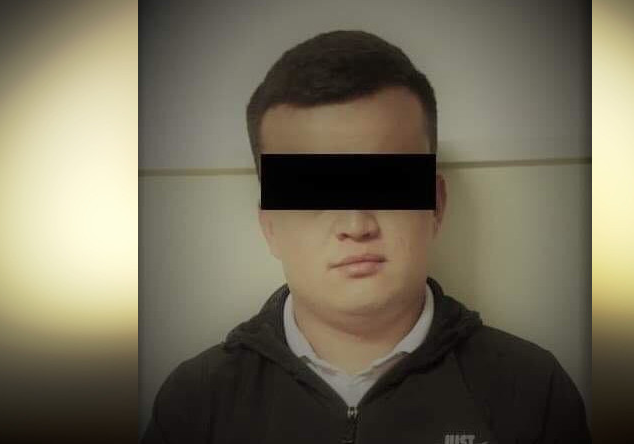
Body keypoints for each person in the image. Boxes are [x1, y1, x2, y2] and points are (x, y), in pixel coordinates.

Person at [142, 30, 590, 444]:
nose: (356, 225)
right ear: (270, 225)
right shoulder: (196, 403)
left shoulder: (532, 391)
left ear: (436, 205)